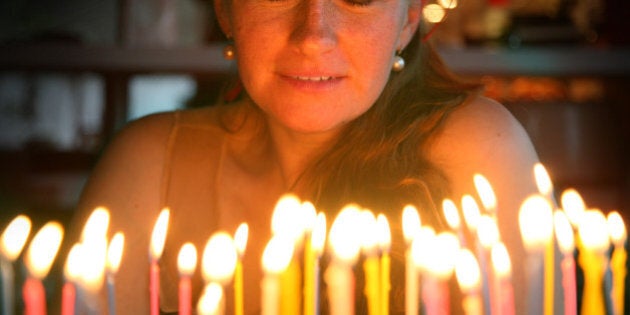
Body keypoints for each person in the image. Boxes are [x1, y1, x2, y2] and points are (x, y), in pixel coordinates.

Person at [69, 0, 558, 313]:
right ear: (226, 11)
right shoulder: (150, 163)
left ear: (407, 22)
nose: (313, 34)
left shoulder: (478, 150)